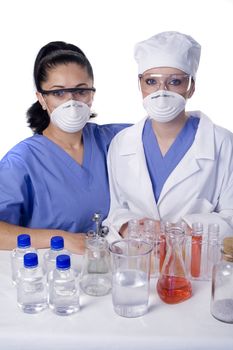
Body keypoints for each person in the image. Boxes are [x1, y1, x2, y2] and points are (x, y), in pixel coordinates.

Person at [0, 41, 130, 253]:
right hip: (56, 275)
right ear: (41, 99)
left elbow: (165, 131)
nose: (71, 101)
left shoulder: (114, 139)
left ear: (92, 94)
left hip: (114, 269)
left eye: (81, 91)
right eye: (59, 93)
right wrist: (59, 238)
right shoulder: (22, 161)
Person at [104, 31, 233, 242]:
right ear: (140, 84)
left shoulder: (222, 142)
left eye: (174, 82)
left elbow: (230, 217)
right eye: (151, 81)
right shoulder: (122, 143)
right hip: (139, 260)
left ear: (191, 87)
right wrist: (130, 226)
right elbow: (116, 211)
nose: (161, 92)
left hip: (195, 263)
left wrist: (184, 229)